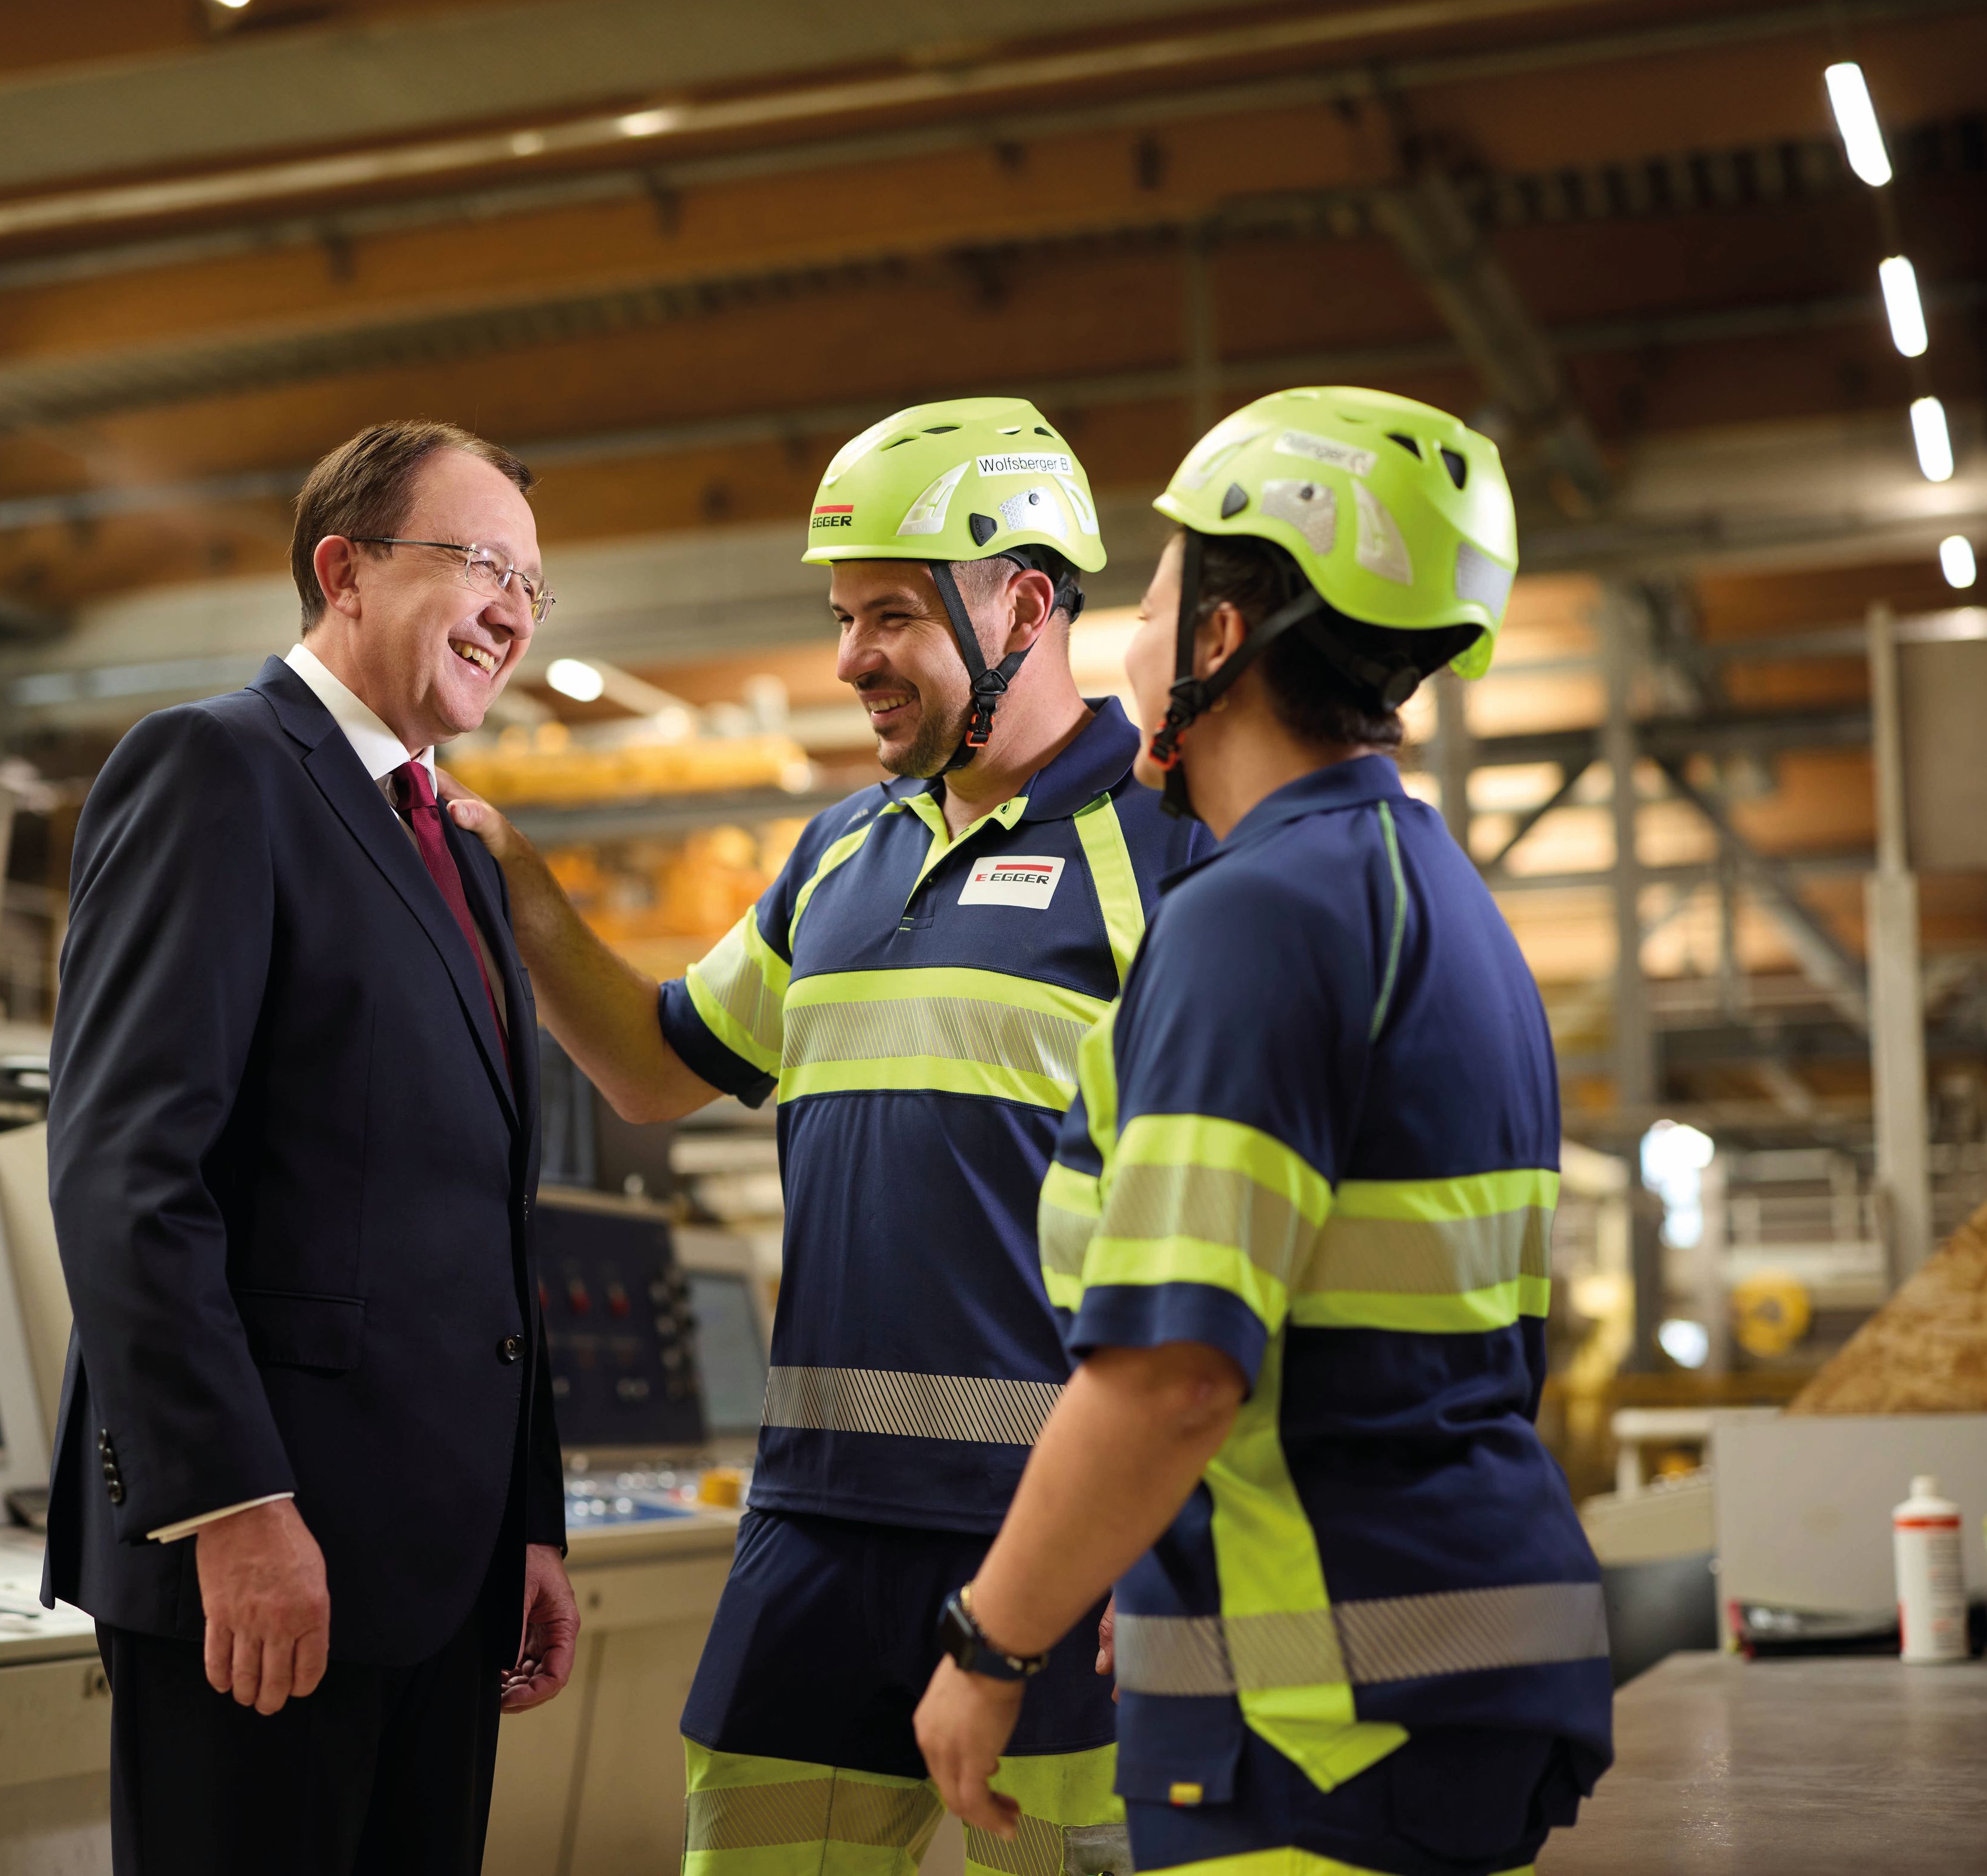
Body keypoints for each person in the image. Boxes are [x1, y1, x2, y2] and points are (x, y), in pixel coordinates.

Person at [445, 397, 1200, 1874]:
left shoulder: (1169, 864)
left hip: (1051, 1544)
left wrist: (1179, 1538)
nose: (848, 658)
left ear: (1024, 604)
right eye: (842, 616)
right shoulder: (838, 855)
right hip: (812, 1534)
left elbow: (1227, 1245)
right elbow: (662, 1066)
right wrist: (520, 888)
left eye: (889, 617)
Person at [914, 387, 1613, 1876]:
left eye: (1160, 590)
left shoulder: (1253, 919)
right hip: (1451, 1671)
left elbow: (1172, 1370)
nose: (1132, 632)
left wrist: (988, 1641)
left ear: (1221, 636)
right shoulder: (1438, 904)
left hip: (1311, 1715)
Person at [41, 420, 578, 1876]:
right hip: (269, 1559)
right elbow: (128, 1173)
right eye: (479, 562)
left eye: (534, 583)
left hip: (442, 1572)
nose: (515, 611)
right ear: (342, 569)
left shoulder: (454, 847)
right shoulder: (214, 770)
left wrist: (530, 1521)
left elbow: (487, 1222)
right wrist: (233, 1506)